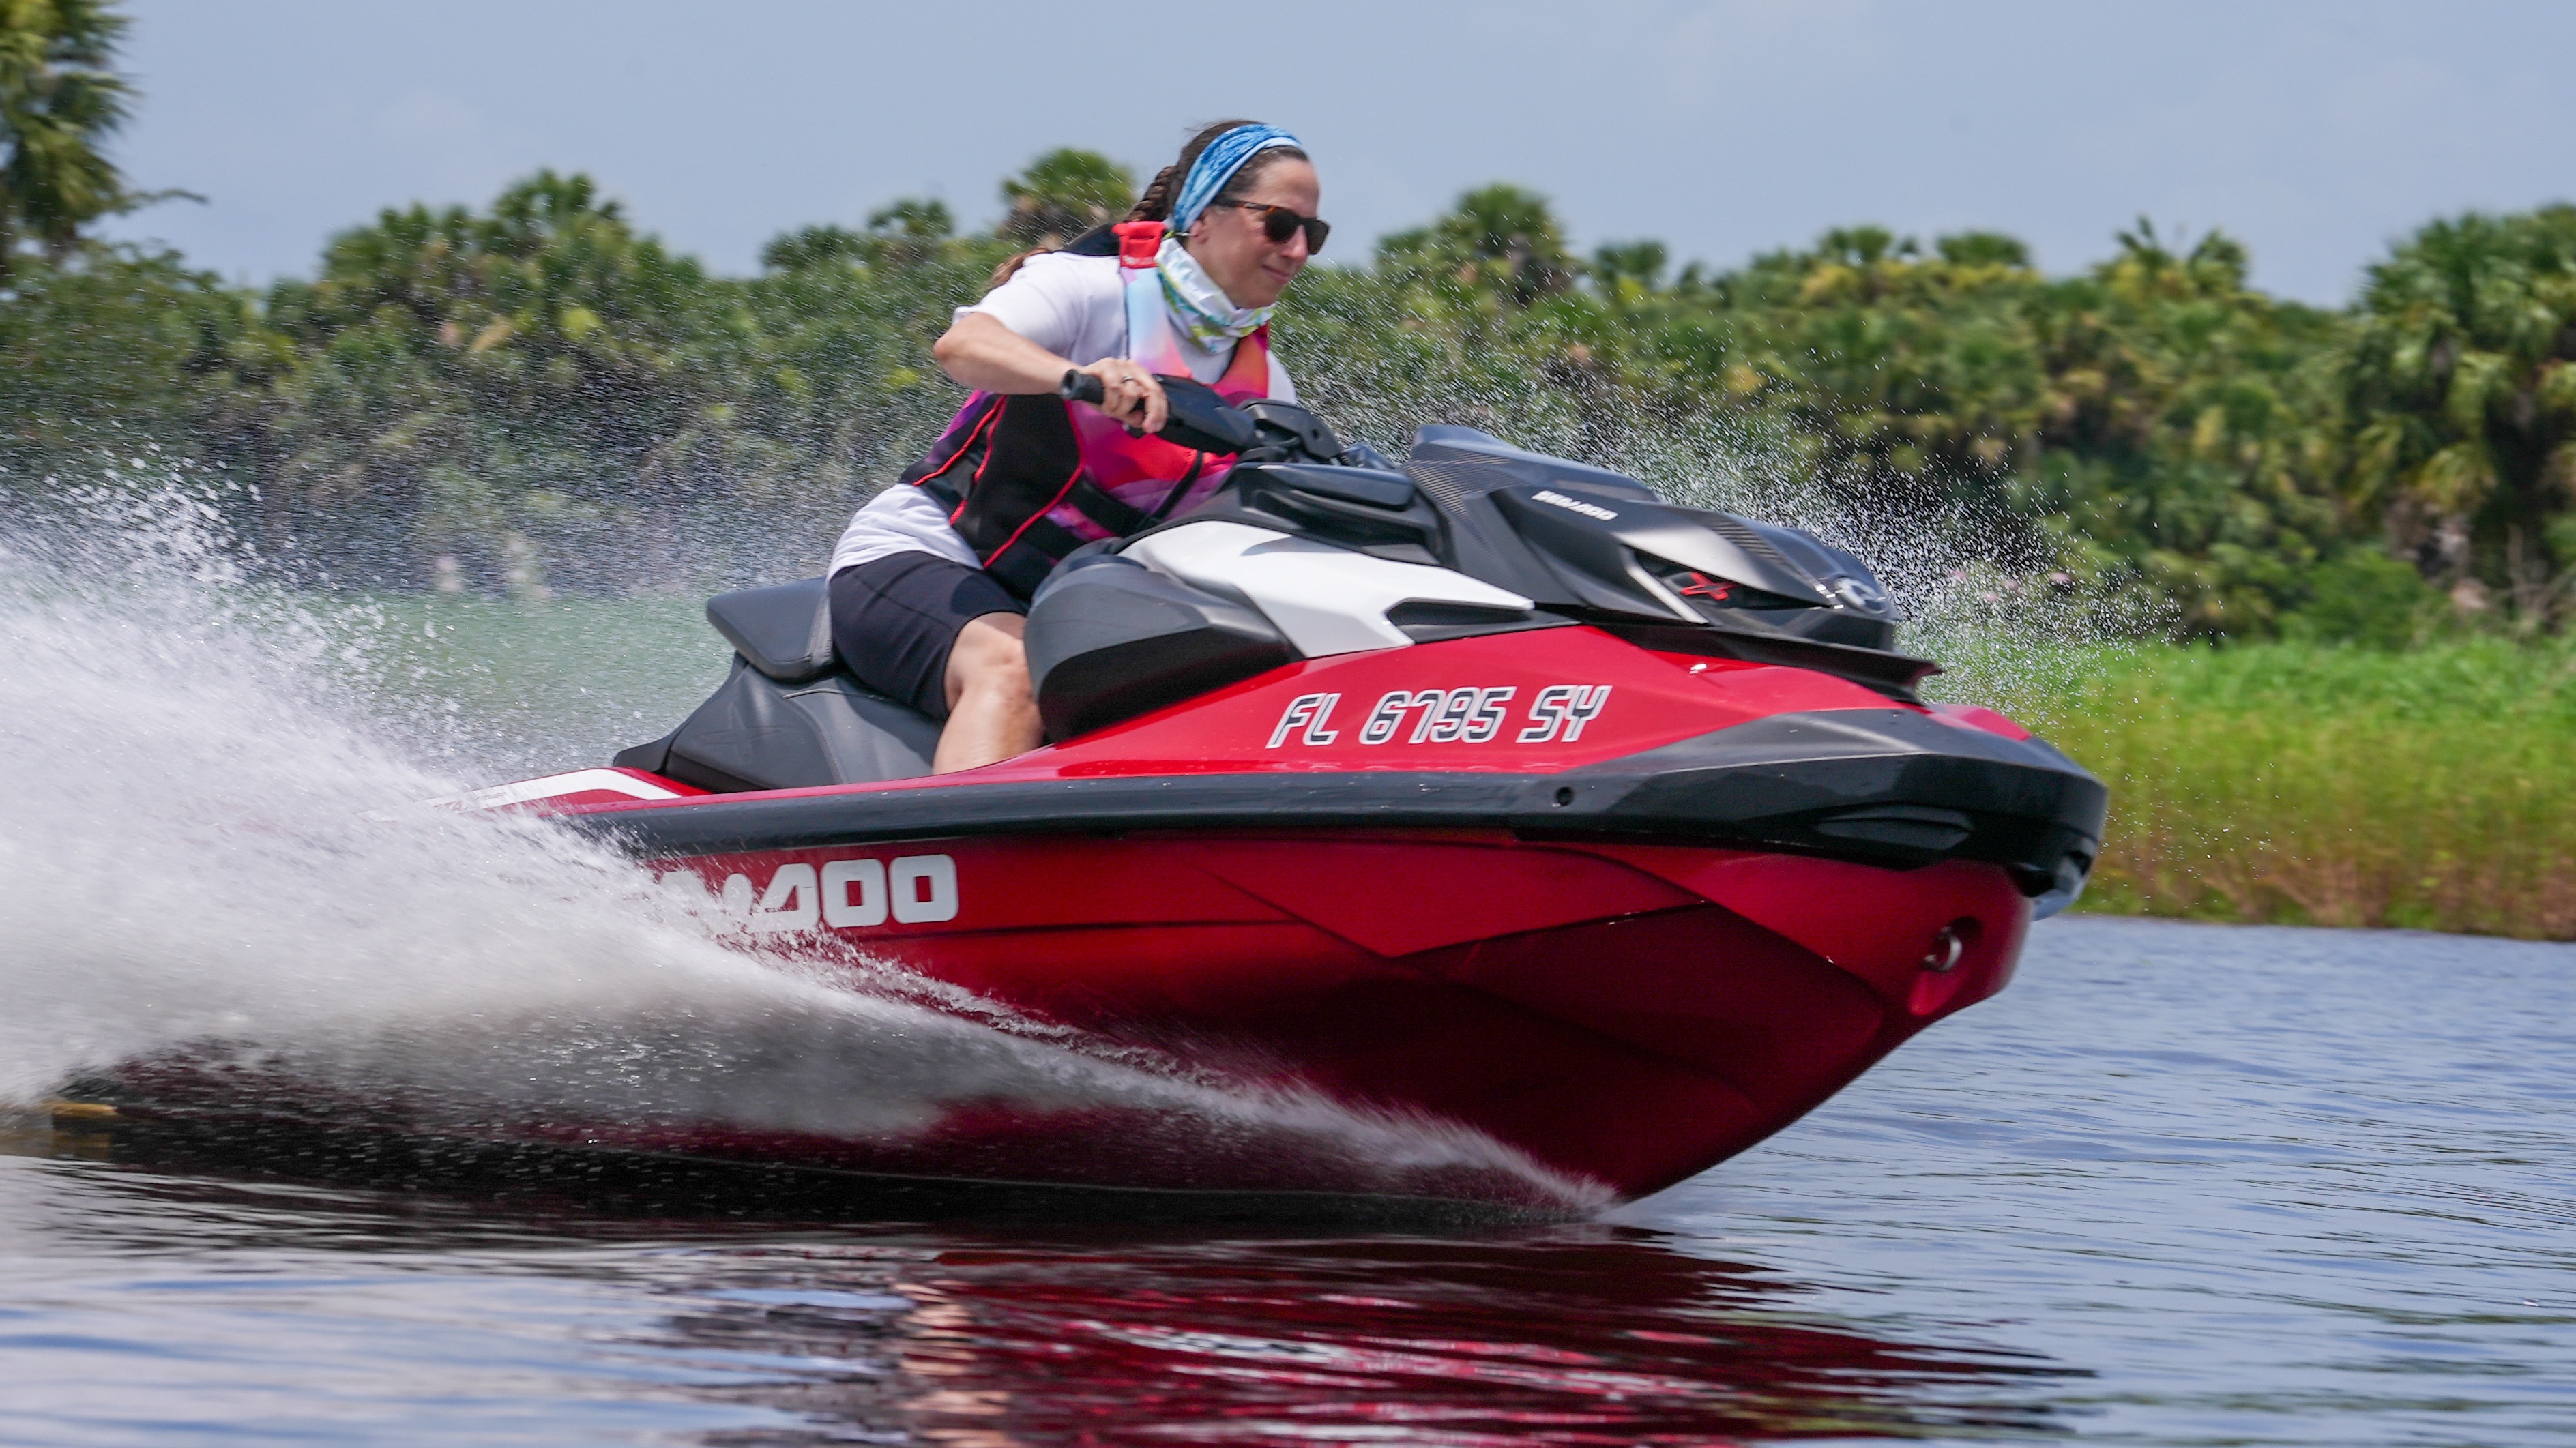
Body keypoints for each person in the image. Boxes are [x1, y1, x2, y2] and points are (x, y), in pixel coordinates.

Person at [826, 121, 1326, 773]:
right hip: (925, 556)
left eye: (1312, 235)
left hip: (1060, 610)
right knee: (1014, 672)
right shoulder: (1090, 290)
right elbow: (964, 347)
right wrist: (1082, 380)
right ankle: (976, 865)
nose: (1297, 251)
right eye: (1281, 225)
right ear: (1203, 216)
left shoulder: (1268, 388)